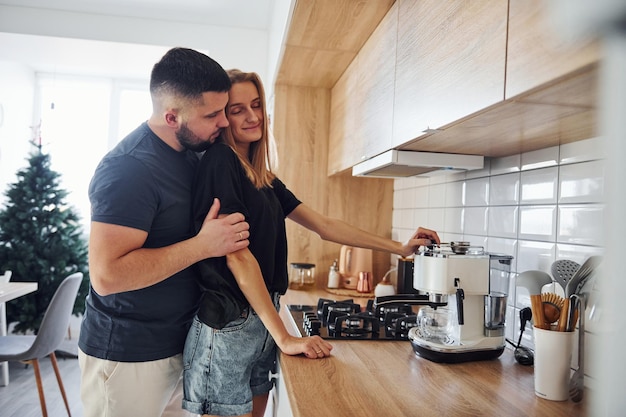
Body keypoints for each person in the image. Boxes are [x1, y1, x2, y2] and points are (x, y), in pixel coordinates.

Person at [183, 69, 441, 417]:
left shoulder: (261, 176)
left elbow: (324, 224)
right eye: (238, 109)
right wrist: (285, 337)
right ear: (223, 118)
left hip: (261, 319)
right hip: (229, 325)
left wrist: (399, 248)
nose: (253, 116)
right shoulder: (220, 161)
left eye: (257, 105)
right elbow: (237, 258)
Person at [78, 48, 251, 417]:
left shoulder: (192, 153)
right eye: (211, 114)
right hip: (128, 357)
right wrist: (202, 246)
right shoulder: (128, 168)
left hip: (178, 347)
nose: (224, 122)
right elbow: (107, 276)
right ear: (172, 116)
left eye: (223, 110)